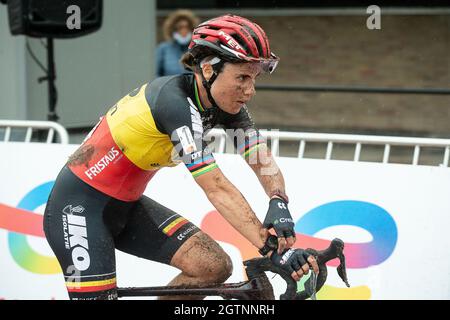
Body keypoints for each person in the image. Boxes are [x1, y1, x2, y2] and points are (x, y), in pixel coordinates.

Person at [43, 14, 319, 300]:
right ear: (209, 69)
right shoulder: (173, 103)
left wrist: (278, 199)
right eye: (242, 77)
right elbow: (216, 187)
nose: (250, 90)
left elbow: (259, 157)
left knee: (211, 267)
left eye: (254, 78)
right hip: (78, 210)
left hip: (125, 207)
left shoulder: (224, 104)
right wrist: (272, 249)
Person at [155, 10, 199, 77]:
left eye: (187, 27)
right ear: (173, 29)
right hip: (169, 86)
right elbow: (157, 74)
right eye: (180, 27)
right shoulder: (163, 49)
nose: (184, 31)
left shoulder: (197, 48)